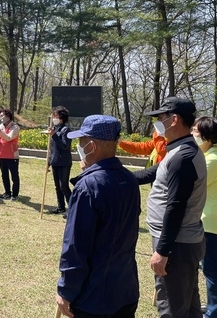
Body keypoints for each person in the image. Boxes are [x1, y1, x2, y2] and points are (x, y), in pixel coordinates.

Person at [56, 115, 140, 318]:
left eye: (81, 142)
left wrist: (66, 290)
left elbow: (76, 245)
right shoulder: (129, 179)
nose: (78, 146)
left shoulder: (88, 187)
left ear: (91, 146)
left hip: (93, 298)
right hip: (125, 289)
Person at [133, 97, 206, 318]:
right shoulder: (178, 150)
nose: (157, 123)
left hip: (177, 245)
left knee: (172, 308)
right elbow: (151, 173)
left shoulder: (183, 157)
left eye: (161, 118)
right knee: (188, 306)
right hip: (182, 242)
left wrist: (163, 251)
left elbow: (175, 207)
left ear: (174, 120)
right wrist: (113, 175)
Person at [192, 116, 217, 317]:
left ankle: (212, 312)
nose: (193, 135)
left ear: (208, 136)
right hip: (210, 221)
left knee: (211, 272)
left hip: (211, 223)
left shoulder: (212, 160)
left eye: (196, 131)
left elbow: (193, 184)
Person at [48, 106, 72, 215]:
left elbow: (64, 145)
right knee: (57, 186)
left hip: (64, 163)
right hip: (55, 162)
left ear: (61, 117)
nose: (54, 118)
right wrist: (49, 161)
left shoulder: (65, 130)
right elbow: (52, 148)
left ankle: (72, 208)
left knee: (64, 186)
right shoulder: (55, 129)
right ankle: (61, 206)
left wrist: (54, 136)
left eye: (55, 116)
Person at [0, 108, 20, 200]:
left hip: (12, 155)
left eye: (3, 116)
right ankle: (7, 192)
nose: (1, 117)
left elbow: (9, 138)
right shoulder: (0, 126)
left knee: (14, 175)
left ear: (8, 116)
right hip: (1, 154)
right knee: (4, 175)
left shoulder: (15, 127)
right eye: (0, 116)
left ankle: (15, 194)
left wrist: (0, 132)